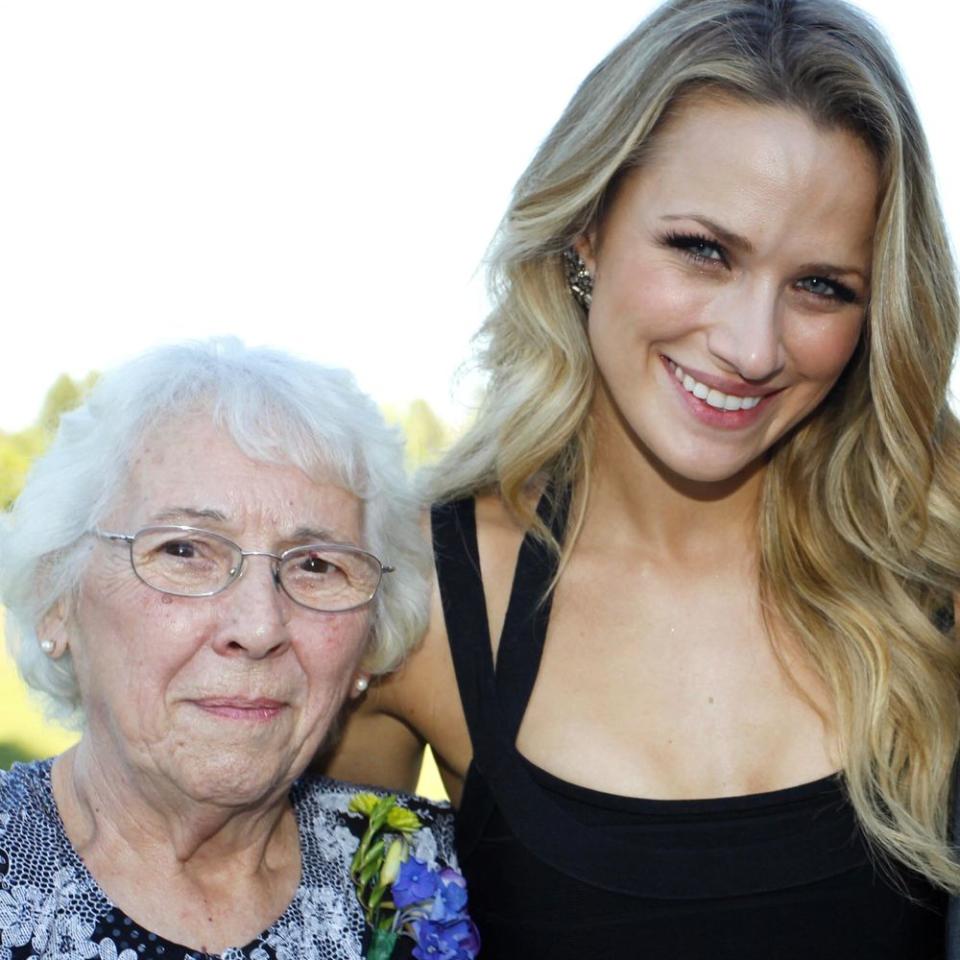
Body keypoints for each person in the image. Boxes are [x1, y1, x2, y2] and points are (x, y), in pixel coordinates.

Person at [325, 0, 960, 956]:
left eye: (822, 285)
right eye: (704, 250)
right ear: (586, 230)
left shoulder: (929, 561)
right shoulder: (414, 596)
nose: (752, 349)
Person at [0, 340, 478, 960]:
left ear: (369, 641)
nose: (258, 626)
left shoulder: (428, 879)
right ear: (56, 596)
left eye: (315, 564)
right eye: (184, 551)